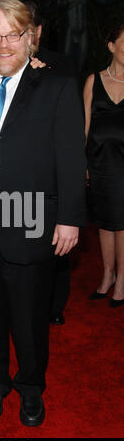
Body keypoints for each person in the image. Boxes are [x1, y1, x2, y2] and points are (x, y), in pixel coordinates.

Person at [0, 0, 86, 426]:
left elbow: (70, 156)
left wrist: (69, 217)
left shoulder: (58, 86)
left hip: (29, 218)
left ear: (30, 38)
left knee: (29, 316)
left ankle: (31, 387)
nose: (4, 44)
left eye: (13, 34)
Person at [26, 0, 79, 326]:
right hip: (20, 182)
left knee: (58, 250)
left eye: (26, 30)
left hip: (55, 176)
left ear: (39, 31)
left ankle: (55, 306)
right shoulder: (0, 68)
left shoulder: (60, 66)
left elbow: (71, 128)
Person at [84, 24, 124, 308]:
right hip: (98, 163)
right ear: (111, 46)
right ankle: (108, 274)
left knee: (122, 224)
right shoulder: (93, 81)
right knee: (104, 224)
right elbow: (84, 127)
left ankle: (122, 278)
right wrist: (81, 163)